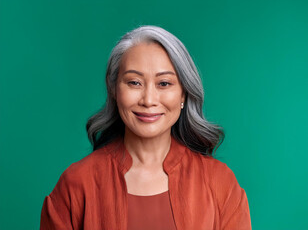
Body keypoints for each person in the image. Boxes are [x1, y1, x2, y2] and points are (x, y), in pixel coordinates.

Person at [40, 26, 251, 230]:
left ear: (184, 94)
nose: (149, 100)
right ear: (114, 90)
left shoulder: (220, 183)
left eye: (164, 83)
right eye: (134, 82)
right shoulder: (76, 184)